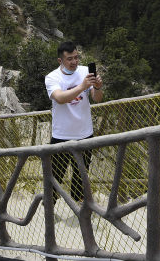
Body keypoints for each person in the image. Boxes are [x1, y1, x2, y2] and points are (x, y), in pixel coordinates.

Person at [45, 41, 103, 202]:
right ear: (60, 60)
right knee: (54, 178)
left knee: (81, 178)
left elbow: (97, 99)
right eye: (69, 59)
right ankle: (49, 207)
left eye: (76, 57)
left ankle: (79, 209)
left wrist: (98, 87)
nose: (74, 62)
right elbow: (59, 98)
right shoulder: (52, 77)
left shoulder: (85, 71)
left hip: (85, 134)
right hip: (61, 136)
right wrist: (82, 86)